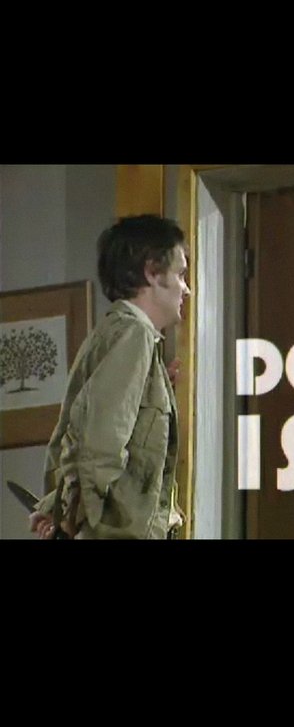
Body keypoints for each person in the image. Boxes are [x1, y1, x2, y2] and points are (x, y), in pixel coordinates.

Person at [29, 214, 191, 539]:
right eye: (180, 274)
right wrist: (72, 516)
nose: (186, 289)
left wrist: (58, 507)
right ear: (152, 272)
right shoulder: (134, 334)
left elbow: (77, 433)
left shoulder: (116, 333)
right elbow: (98, 444)